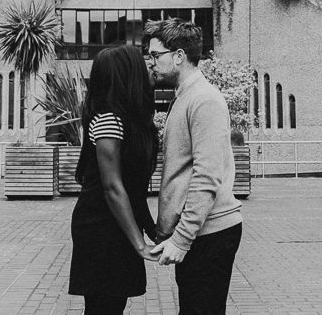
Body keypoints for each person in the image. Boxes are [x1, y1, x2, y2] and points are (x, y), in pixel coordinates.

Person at [146, 18, 243, 315]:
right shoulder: (186, 96)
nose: (150, 62)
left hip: (209, 234)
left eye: (155, 55)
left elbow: (207, 175)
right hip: (200, 233)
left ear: (178, 56)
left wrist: (182, 238)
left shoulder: (204, 99)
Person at [68, 45, 160, 314]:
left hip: (115, 223)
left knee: (112, 303)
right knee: (104, 304)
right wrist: (140, 243)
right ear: (128, 74)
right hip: (100, 227)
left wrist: (154, 231)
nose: (147, 68)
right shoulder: (108, 119)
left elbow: (134, 189)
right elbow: (112, 187)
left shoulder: (128, 120)